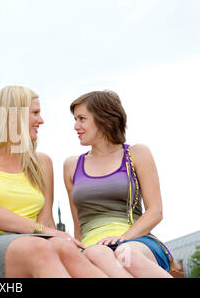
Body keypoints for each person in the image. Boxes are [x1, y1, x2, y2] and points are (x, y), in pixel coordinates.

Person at [0, 86, 108, 278]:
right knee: (39, 247)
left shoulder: (42, 163)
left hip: (33, 242)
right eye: (35, 113)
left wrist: (61, 238)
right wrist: (42, 231)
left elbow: (46, 219)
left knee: (64, 247)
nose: (41, 120)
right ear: (13, 116)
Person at [63, 90, 174, 278]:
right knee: (98, 252)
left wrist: (123, 238)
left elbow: (155, 211)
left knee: (125, 253)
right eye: (75, 119)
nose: (76, 126)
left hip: (136, 241)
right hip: (92, 249)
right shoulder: (71, 166)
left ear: (103, 118)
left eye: (82, 119)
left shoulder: (137, 154)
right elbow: (78, 226)